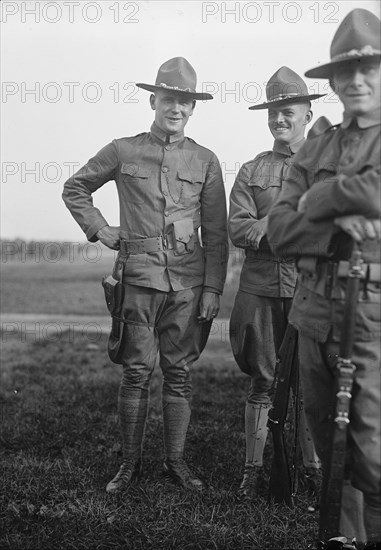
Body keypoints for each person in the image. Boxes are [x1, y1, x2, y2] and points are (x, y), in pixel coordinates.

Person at [62, 57, 228, 494]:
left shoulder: (206, 160)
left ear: (193, 109)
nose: (176, 108)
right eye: (169, 99)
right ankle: (129, 466)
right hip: (137, 279)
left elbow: (216, 231)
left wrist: (213, 288)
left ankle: (176, 463)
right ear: (154, 100)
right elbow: (75, 187)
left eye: (185, 102)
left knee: (179, 374)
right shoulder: (122, 149)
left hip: (188, 286)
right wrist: (99, 229)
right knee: (136, 373)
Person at [267, 9, 380, 547]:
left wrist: (322, 198)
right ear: (332, 83)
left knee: (372, 447)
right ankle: (346, 540)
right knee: (330, 442)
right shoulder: (316, 148)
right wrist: (336, 225)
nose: (356, 81)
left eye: (369, 69)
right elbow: (280, 231)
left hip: (374, 313)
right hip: (312, 309)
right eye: (345, 73)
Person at [228, 66, 323, 497]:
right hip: (261, 289)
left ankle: (311, 467)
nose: (279, 120)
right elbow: (239, 229)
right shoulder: (251, 171)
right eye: (273, 114)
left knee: (309, 381)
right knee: (263, 380)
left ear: (306, 113)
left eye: (288, 111)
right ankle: (252, 469)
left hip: (311, 289)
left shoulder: (327, 167)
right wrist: (282, 223)